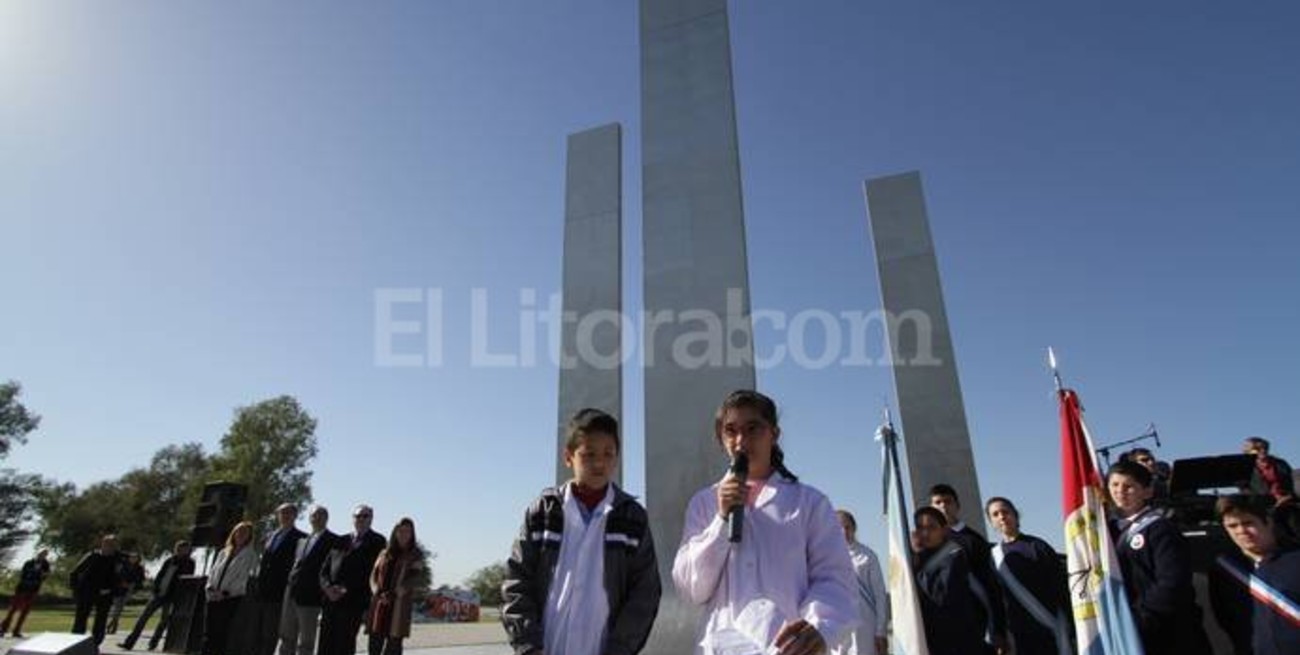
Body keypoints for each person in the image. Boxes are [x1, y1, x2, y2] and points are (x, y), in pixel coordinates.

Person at [673, 390, 858, 655]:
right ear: (720, 438)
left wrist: (818, 627)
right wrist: (721, 521)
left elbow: (835, 578)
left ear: (774, 434)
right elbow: (693, 589)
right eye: (731, 431)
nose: (741, 441)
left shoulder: (809, 503)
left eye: (752, 429)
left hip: (789, 648)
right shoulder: (704, 503)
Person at [501, 408, 662, 655]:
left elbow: (645, 592)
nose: (599, 463)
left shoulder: (632, 518)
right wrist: (528, 645)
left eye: (608, 454)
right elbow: (517, 580)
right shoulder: (543, 512)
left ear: (617, 457)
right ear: (568, 457)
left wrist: (620, 649)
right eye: (589, 454)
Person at [1106, 459, 1211, 654]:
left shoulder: (1160, 528)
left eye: (1129, 486)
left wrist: (1139, 618)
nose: (1120, 491)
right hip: (1124, 631)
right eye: (1115, 485)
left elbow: (1172, 582)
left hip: (1166, 632)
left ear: (1147, 492)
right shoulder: (1106, 531)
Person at [985, 497, 1073, 655]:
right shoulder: (994, 556)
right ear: (991, 522)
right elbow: (996, 598)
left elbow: (1061, 586)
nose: (1001, 517)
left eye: (1005, 512)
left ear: (1015, 515)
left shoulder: (1038, 546)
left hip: (1050, 626)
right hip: (1019, 633)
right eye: (995, 514)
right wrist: (998, 633)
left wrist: (1071, 623)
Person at [929, 483, 1009, 654]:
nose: (943, 506)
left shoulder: (974, 541)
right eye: (938, 502)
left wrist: (997, 630)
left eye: (948, 501)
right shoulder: (925, 544)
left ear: (957, 506)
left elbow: (991, 587)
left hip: (974, 626)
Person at [1215, 494, 1300, 655]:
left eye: (1248, 523)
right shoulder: (1226, 569)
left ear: (1268, 521)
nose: (1241, 531)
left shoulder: (1295, 559)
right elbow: (1227, 618)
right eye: (1232, 526)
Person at [911, 506, 984, 655]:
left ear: (944, 530)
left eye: (931, 527)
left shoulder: (954, 556)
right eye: (920, 528)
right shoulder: (917, 559)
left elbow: (942, 596)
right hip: (931, 639)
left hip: (958, 641)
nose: (925, 533)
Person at [317, 504, 386, 655]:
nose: (360, 519)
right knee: (325, 644)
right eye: (357, 516)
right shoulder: (340, 540)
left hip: (353, 602)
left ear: (371, 519)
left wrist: (344, 589)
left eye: (365, 516)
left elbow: (373, 573)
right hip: (330, 601)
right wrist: (327, 587)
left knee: (344, 644)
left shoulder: (378, 541)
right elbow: (324, 569)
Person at [280, 505, 338, 655]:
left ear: (326, 518)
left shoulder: (333, 540)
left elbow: (332, 569)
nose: (316, 518)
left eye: (320, 515)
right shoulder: (302, 540)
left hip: (311, 597)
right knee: (286, 637)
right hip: (292, 593)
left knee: (306, 641)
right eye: (313, 515)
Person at [119, 540, 196, 651]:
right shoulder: (169, 561)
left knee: (164, 621)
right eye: (179, 549)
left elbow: (185, 579)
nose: (180, 551)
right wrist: (156, 587)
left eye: (184, 549)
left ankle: (153, 643)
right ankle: (129, 642)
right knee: (144, 617)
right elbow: (160, 575)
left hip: (172, 596)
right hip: (160, 593)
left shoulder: (189, 563)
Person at [252, 504, 306, 655]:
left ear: (295, 515)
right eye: (282, 513)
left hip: (280, 593)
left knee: (270, 633)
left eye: (288, 512)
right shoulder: (271, 536)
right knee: (256, 632)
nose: (284, 515)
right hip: (262, 591)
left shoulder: (301, 538)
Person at [367, 518, 426, 655]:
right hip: (380, 604)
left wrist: (395, 593)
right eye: (401, 531)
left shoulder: (415, 554)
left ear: (412, 534)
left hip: (399, 605)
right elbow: (373, 575)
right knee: (374, 644)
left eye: (408, 531)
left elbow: (414, 577)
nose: (404, 534)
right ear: (395, 532)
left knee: (394, 646)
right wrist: (377, 591)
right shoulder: (384, 553)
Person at [833, 510, 887, 655]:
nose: (844, 532)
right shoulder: (827, 558)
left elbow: (880, 595)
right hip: (839, 625)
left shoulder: (868, 556)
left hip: (865, 626)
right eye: (839, 527)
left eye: (847, 527)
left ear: (854, 528)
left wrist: (880, 630)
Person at [204, 521, 259, 655]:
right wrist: (210, 588)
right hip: (213, 596)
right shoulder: (223, 552)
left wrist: (225, 593)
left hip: (231, 597)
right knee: (208, 631)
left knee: (222, 631)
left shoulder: (250, 555)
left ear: (249, 537)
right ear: (233, 533)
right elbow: (213, 572)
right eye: (239, 531)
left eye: (245, 532)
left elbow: (243, 578)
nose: (241, 534)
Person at [71, 534, 122, 646]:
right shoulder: (92, 556)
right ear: (102, 544)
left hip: (106, 594)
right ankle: (75, 642)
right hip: (88, 592)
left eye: (113, 545)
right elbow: (75, 573)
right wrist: (76, 590)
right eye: (107, 544)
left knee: (101, 620)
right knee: (81, 618)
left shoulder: (117, 559)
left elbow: (120, 577)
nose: (110, 547)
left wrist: (113, 590)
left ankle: (95, 644)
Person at [1243, 437, 1298, 543]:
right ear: (1248, 452)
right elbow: (1245, 490)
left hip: (1286, 503)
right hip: (1264, 506)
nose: (1262, 451)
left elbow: (1291, 485)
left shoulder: (1280, 463)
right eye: (1257, 449)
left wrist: (1288, 496)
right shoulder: (1246, 467)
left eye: (1264, 448)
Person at [0, 548, 51, 639]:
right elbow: (23, 574)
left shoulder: (45, 564)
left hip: (33, 590)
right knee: (13, 609)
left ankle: (16, 631)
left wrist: (42, 574)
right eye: (41, 553)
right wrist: (35, 572)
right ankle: (3, 629)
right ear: (38, 554)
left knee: (25, 611)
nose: (43, 556)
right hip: (22, 589)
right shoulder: (29, 562)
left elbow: (45, 576)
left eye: (45, 554)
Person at [108, 552, 146, 634]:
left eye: (135, 558)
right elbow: (116, 575)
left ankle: (113, 624)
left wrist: (132, 584)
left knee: (120, 608)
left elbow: (141, 579)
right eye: (132, 557)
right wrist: (121, 582)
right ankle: (113, 625)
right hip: (119, 589)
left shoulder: (139, 568)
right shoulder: (123, 565)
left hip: (129, 590)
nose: (133, 559)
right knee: (117, 607)